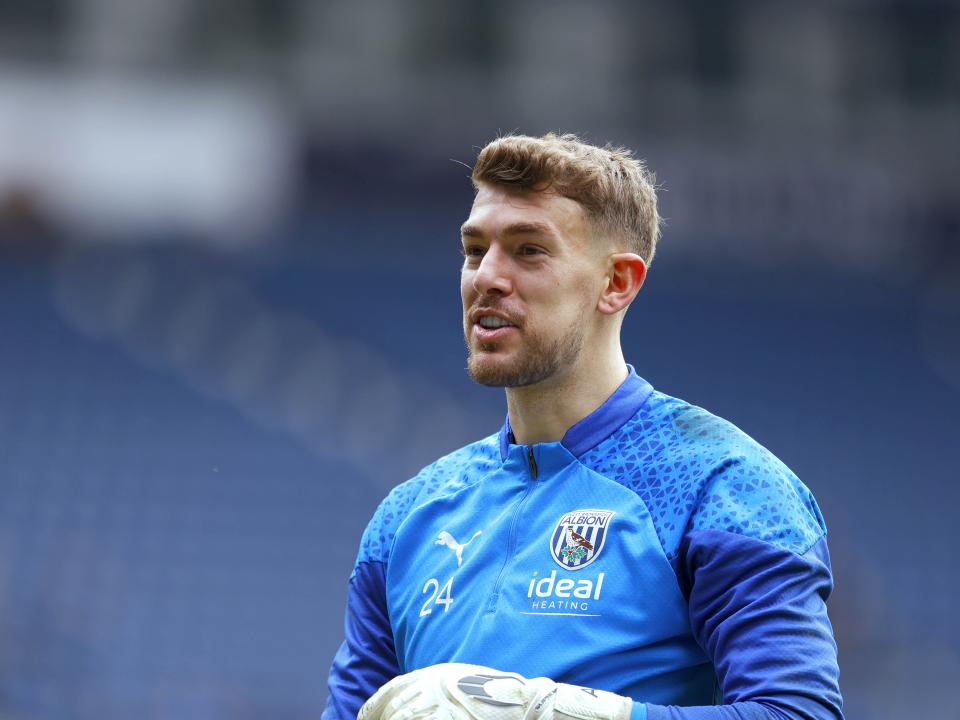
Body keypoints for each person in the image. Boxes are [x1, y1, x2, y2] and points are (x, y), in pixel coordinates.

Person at [322, 134, 843, 720]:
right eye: (474, 250)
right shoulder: (408, 517)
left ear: (617, 283)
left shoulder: (723, 486)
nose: (486, 277)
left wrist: (555, 713)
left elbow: (797, 714)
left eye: (528, 251)